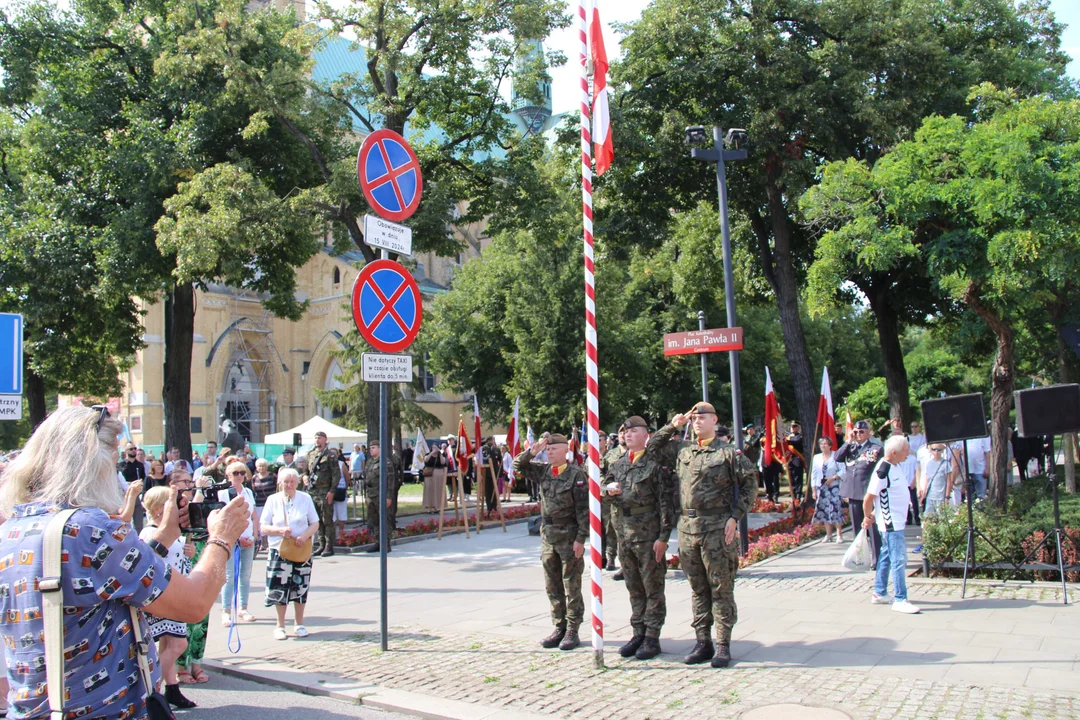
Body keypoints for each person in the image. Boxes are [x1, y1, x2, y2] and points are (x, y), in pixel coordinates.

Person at [0, 405, 249, 719]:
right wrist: (222, 538)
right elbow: (194, 604)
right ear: (94, 464)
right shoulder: (93, 530)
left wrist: (165, 536)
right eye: (113, 458)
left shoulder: (12, 529)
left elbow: (105, 581)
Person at [654, 402, 757, 668]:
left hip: (716, 526)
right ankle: (702, 642)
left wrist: (736, 517)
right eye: (694, 418)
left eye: (703, 417)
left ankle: (723, 644)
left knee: (720, 587)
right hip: (688, 527)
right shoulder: (683, 449)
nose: (697, 421)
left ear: (715, 420)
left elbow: (750, 484)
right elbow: (653, 448)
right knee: (698, 588)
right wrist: (673, 425)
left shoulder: (728, 454)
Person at [604, 416, 674, 660]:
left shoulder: (656, 464)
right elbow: (605, 489)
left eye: (634, 431)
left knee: (652, 586)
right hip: (624, 533)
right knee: (633, 586)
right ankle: (638, 632)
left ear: (646, 436)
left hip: (648, 534)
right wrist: (609, 491)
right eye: (625, 431)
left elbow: (667, 503)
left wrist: (664, 536)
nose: (628, 434)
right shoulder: (618, 464)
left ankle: (652, 637)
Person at [514, 434, 588, 651]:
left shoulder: (576, 474)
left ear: (565, 450)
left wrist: (581, 539)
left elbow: (584, 510)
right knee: (552, 585)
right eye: (548, 449)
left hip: (569, 536)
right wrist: (532, 451)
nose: (550, 452)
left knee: (571, 585)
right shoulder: (543, 471)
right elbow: (519, 466)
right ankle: (559, 627)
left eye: (554, 448)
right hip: (548, 536)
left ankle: (573, 629)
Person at [139, 485, 198, 709]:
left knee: (168, 644)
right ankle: (149, 688)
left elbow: (178, 559)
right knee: (178, 644)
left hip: (174, 591)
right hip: (164, 595)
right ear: (156, 509)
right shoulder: (149, 533)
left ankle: (171, 689)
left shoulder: (171, 530)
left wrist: (188, 552)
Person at [260, 468, 320, 639]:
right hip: (279, 549)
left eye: (292, 481)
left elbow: (315, 523)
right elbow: (263, 526)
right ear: (280, 482)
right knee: (279, 588)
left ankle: (299, 623)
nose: (289, 485)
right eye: (286, 482)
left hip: (301, 548)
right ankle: (280, 625)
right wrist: (279, 531)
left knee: (300, 587)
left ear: (298, 482)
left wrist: (304, 536)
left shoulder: (305, 498)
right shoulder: (273, 500)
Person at [864, 435, 920, 614]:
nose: (908, 453)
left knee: (887, 556)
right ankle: (900, 599)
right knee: (898, 559)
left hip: (896, 520)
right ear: (894, 452)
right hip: (891, 523)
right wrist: (868, 516)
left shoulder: (896, 466)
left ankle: (879, 592)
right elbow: (869, 497)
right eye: (905, 450)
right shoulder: (883, 470)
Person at [836, 420, 884, 570]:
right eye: (856, 432)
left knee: (872, 528)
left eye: (861, 432)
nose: (858, 434)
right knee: (858, 529)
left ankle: (877, 559)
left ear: (868, 433)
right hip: (853, 493)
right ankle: (860, 557)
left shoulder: (875, 449)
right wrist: (848, 441)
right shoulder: (850, 448)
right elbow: (837, 457)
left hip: (868, 493)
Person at [218, 462, 260, 627]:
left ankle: (243, 608)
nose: (239, 476)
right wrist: (236, 537)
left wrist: (255, 535)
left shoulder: (248, 491)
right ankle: (226, 611)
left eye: (242, 472)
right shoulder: (223, 494)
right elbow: (224, 519)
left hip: (248, 538)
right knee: (229, 576)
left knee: (245, 575)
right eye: (235, 473)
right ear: (228, 475)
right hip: (232, 539)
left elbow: (254, 515)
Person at [305, 431, 341, 557]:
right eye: (315, 438)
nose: (317, 440)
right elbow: (306, 471)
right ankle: (321, 544)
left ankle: (329, 546)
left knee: (327, 519)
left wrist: (332, 491)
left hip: (325, 492)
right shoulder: (311, 454)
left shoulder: (330, 455)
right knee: (317, 519)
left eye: (319, 438)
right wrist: (305, 477)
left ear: (325, 440)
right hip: (313, 492)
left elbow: (336, 474)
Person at [363, 441, 401, 552]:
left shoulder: (386, 462)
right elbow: (367, 480)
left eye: (374, 448)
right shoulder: (370, 462)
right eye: (370, 448)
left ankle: (386, 544)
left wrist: (389, 497)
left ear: (380, 449)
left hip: (381, 495)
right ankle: (378, 542)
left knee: (385, 520)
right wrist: (366, 495)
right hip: (371, 495)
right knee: (374, 520)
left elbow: (390, 481)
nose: (371, 450)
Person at [810, 437, 844, 543]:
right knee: (824, 511)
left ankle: (839, 534)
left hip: (834, 487)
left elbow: (843, 470)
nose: (823, 446)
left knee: (835, 509)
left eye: (825, 444)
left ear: (830, 445)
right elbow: (814, 474)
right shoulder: (817, 457)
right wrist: (814, 490)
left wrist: (834, 477)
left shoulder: (836, 456)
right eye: (821, 444)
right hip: (822, 488)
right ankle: (829, 534)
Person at [917, 443, 953, 517]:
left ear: (942, 451)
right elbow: (927, 480)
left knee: (941, 517)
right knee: (927, 516)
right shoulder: (929, 463)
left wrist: (947, 497)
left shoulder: (945, 464)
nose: (936, 452)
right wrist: (924, 495)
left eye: (939, 450)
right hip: (930, 495)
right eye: (934, 449)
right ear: (930, 450)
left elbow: (949, 482)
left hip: (941, 496)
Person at [251, 458, 277, 550]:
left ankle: (270, 543)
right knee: (261, 523)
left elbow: (277, 488)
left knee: (271, 522)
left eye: (263, 466)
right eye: (259, 466)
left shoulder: (272, 476)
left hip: (271, 503)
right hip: (259, 503)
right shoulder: (254, 478)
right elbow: (254, 489)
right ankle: (262, 543)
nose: (261, 468)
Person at [962, 432, 992, 501]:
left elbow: (988, 452)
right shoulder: (964, 433)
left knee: (981, 496)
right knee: (969, 496)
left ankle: (981, 510)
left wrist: (988, 468)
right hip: (967, 470)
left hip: (980, 470)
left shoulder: (984, 435)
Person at [422, 443, 447, 512]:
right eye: (433, 447)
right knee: (429, 490)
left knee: (438, 491)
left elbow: (443, 462)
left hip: (438, 476)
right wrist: (432, 453)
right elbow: (426, 460)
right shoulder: (428, 454)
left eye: (436, 447)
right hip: (429, 475)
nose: (435, 449)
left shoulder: (440, 455)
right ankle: (429, 507)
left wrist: (440, 453)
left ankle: (437, 506)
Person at [784, 422, 806, 502]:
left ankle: (798, 495)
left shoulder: (800, 436)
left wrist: (785, 440)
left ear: (798, 428)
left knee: (798, 478)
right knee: (791, 478)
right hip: (790, 460)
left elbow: (796, 442)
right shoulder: (788, 437)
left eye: (794, 426)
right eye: (792, 426)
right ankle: (793, 495)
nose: (792, 428)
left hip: (797, 459)